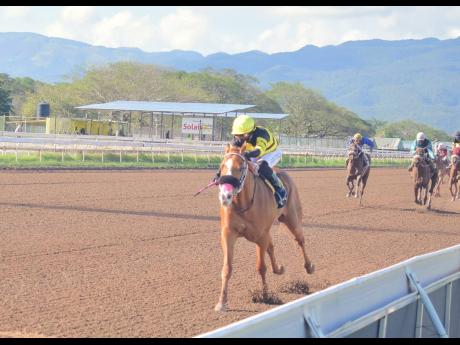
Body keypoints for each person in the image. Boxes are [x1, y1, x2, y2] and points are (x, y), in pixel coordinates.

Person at [214, 114, 287, 208]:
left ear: (247, 133)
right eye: (236, 134)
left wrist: (247, 155)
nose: (236, 138)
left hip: (271, 152)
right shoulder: (239, 138)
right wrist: (218, 174)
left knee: (261, 166)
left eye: (239, 135)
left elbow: (259, 151)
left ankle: (280, 190)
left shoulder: (261, 134)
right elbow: (229, 157)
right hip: (253, 152)